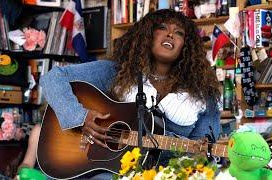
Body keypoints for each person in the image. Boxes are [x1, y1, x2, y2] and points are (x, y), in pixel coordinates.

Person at [40, 9, 221, 178]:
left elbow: (202, 151)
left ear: (186, 46)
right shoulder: (117, 72)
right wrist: (80, 116)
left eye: (179, 32)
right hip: (111, 171)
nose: (170, 34)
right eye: (162, 28)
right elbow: (53, 78)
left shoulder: (203, 93)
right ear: (147, 36)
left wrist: (195, 158)